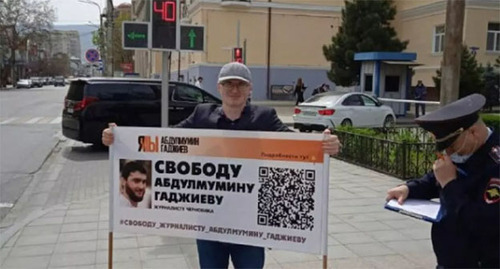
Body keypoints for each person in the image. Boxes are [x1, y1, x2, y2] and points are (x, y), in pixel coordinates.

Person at [102, 62, 341, 269]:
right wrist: (120, 139)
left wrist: (325, 145)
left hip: (248, 225)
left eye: (240, 85)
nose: (234, 90)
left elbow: (296, 145)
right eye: (228, 85)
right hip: (209, 223)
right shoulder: (202, 115)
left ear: (249, 89)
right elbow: (165, 142)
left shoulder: (265, 117)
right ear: (219, 88)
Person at [386, 93, 499, 268]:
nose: (449, 154)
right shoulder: (468, 150)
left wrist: (450, 184)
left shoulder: (495, 164)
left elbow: (483, 223)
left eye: (452, 146)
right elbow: (436, 178)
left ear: (473, 133)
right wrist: (409, 188)